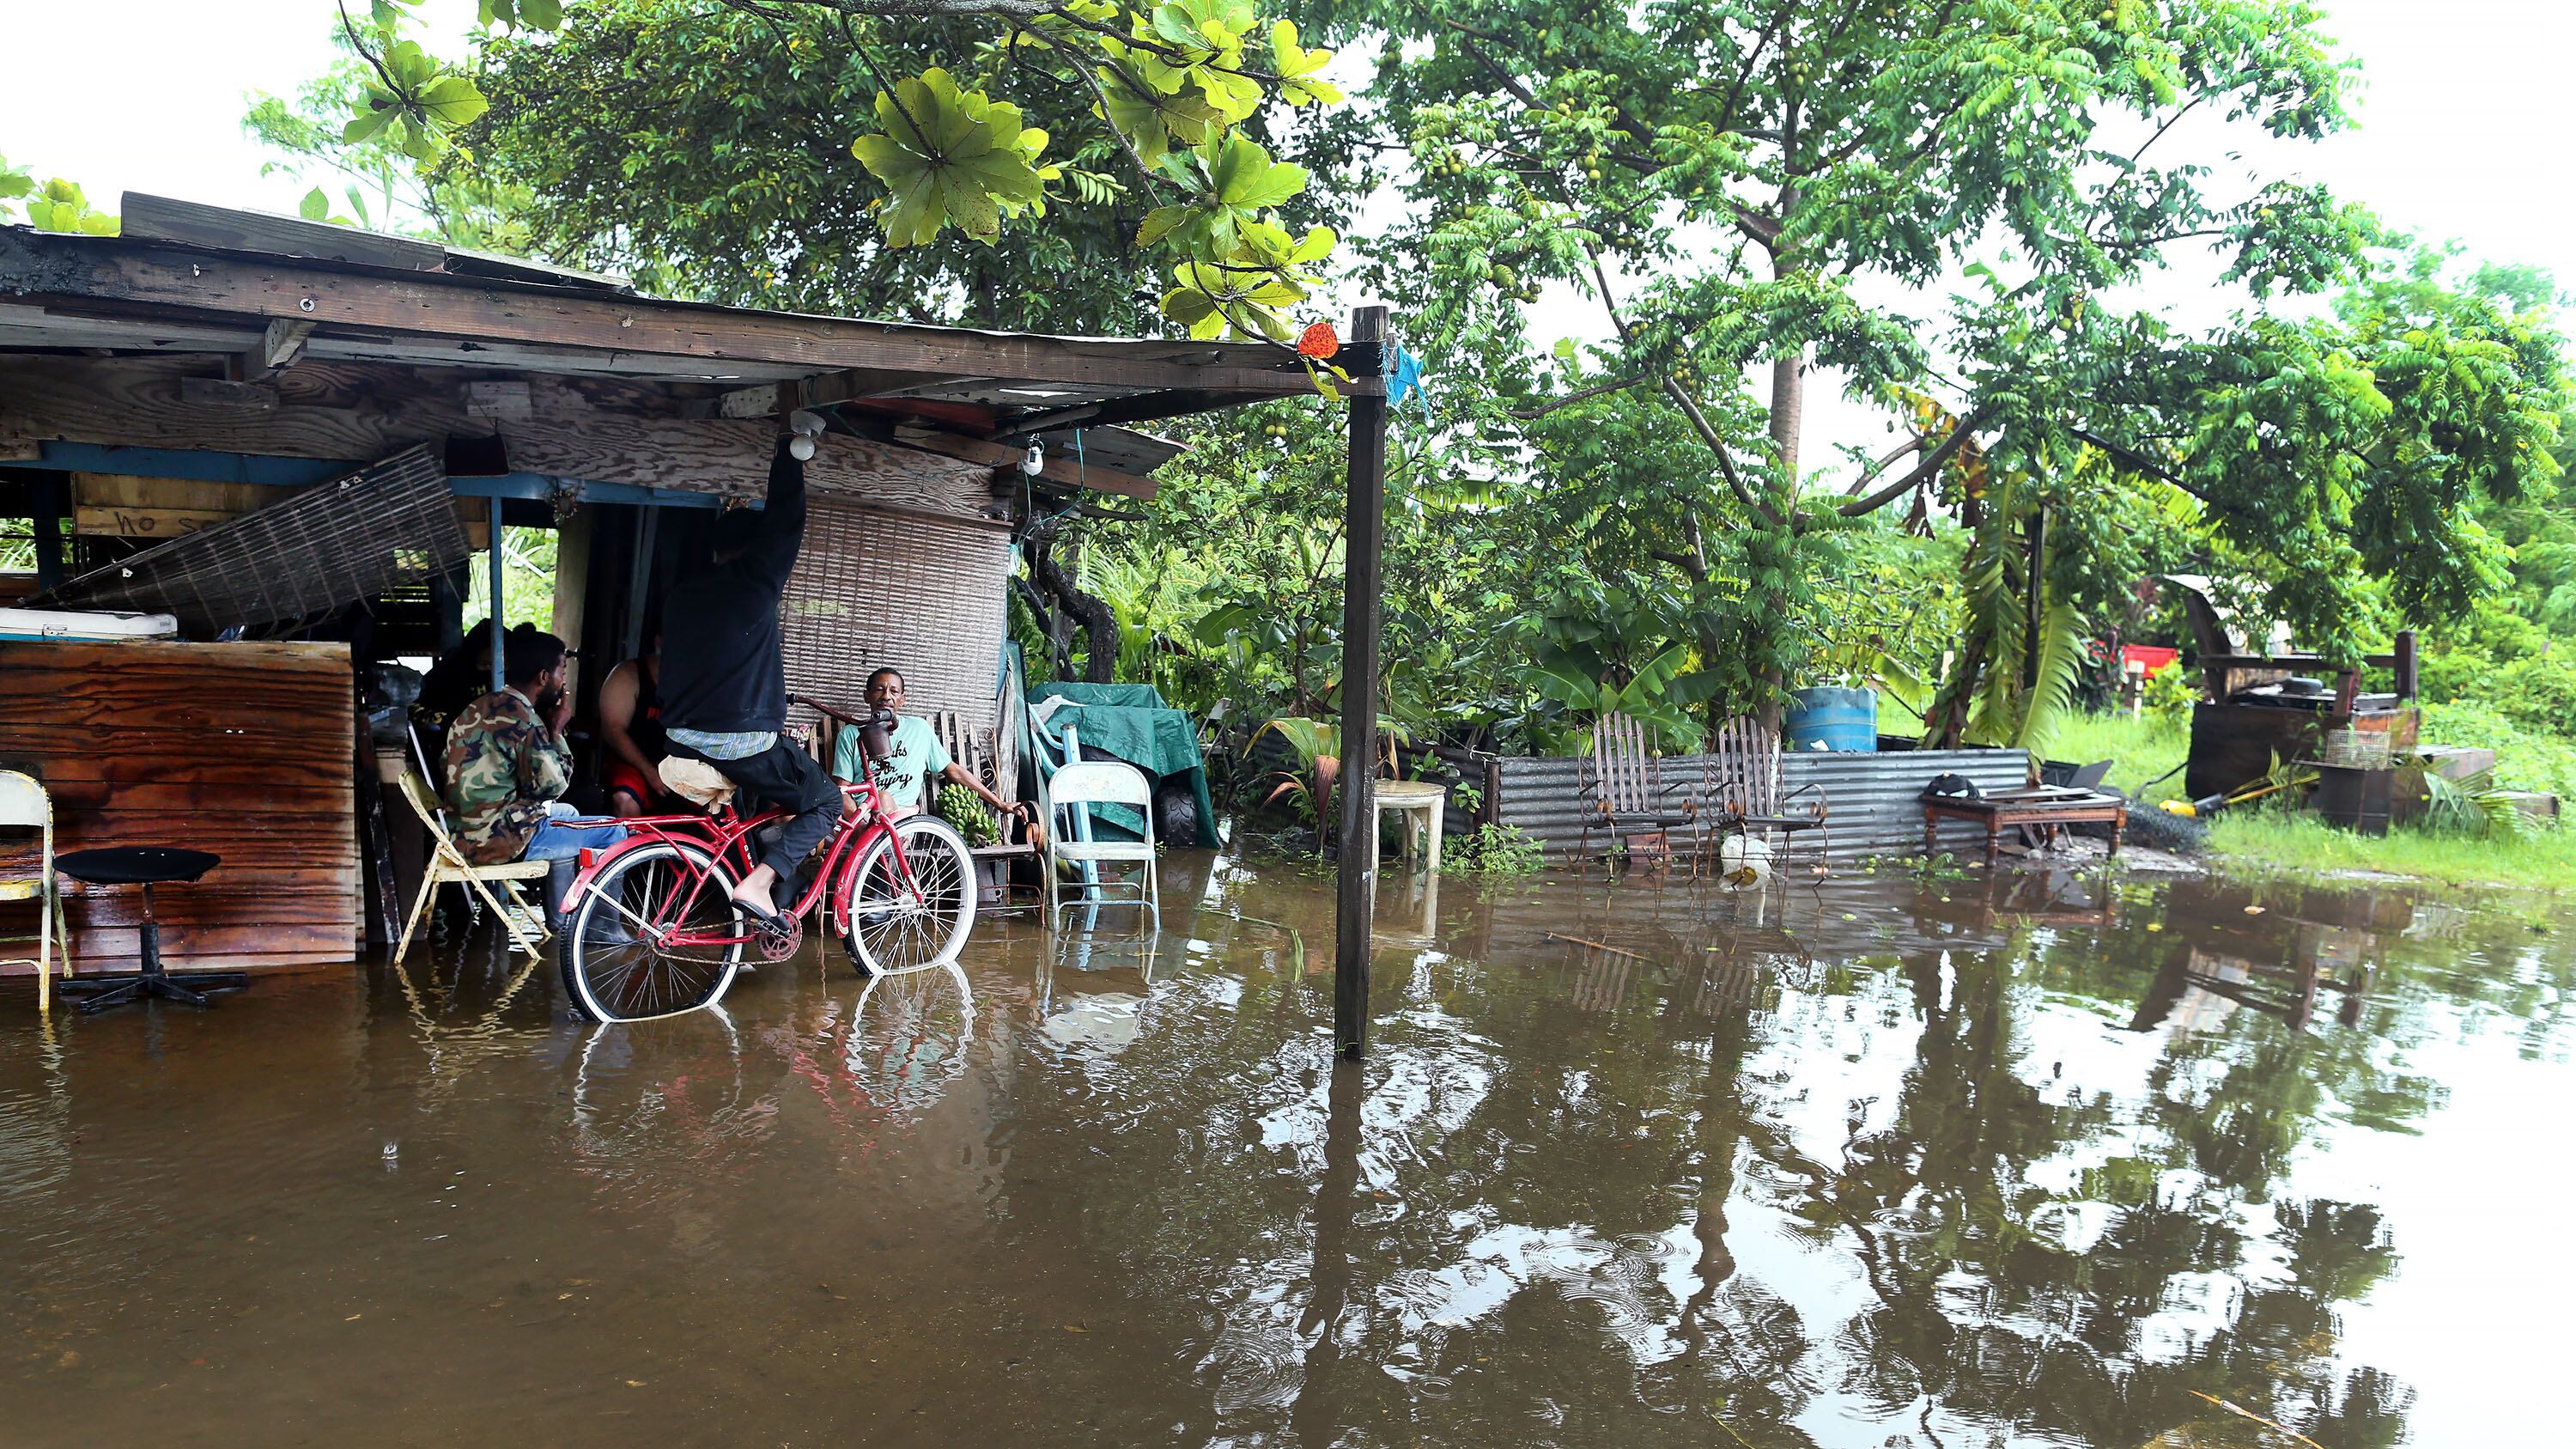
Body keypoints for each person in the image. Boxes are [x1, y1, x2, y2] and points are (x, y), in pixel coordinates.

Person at [656, 411, 839, 921]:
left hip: (681, 737)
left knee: (763, 805)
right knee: (824, 800)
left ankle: (763, 906)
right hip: (735, 740)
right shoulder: (754, 582)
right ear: (752, 548)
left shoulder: (682, 596)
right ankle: (758, 884)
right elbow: (787, 519)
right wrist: (789, 450)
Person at [443, 628, 628, 925]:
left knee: (566, 814)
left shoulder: (478, 708)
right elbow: (553, 785)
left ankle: (561, 922)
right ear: (544, 677)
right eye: (562, 671)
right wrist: (556, 732)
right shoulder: (523, 719)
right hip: (496, 841)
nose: (563, 680)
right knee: (613, 832)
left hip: (462, 833)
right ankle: (603, 931)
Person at [833, 667, 1027, 828]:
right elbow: (843, 791)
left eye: (894, 691)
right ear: (867, 696)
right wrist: (858, 828)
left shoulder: (919, 730)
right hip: (862, 819)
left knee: (883, 798)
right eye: (879, 689)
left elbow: (955, 772)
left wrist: (1000, 804)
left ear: (902, 699)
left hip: (901, 821)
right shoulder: (851, 734)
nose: (886, 696)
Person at [596, 631, 668, 818]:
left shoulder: (700, 681)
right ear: (659, 640)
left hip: (679, 764)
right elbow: (613, 729)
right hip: (633, 762)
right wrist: (650, 772)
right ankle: (632, 846)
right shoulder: (628, 674)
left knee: (716, 802)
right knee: (624, 798)